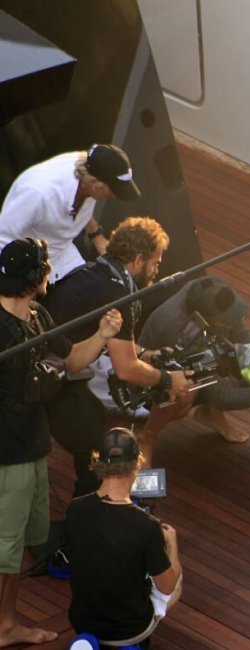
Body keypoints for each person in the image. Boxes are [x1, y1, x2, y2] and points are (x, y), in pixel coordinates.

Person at [0, 238, 122, 647]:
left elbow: (70, 361)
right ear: (37, 277)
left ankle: (6, 623)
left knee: (17, 543)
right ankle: (3, 626)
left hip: (32, 445)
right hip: (7, 456)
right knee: (6, 546)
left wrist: (103, 334)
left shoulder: (38, 315)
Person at [41, 216, 192, 495]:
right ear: (138, 259)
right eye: (155, 262)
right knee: (100, 454)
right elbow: (126, 368)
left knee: (94, 425)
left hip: (54, 363)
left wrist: (146, 353)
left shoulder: (97, 272)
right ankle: (92, 508)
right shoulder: (119, 295)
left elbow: (119, 345)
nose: (157, 270)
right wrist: (169, 380)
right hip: (50, 378)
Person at [136, 275, 250, 464]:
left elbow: (241, 339)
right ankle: (146, 437)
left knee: (242, 363)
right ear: (207, 317)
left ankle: (210, 412)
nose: (235, 321)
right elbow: (221, 395)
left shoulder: (209, 290)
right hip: (151, 383)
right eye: (227, 320)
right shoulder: (180, 331)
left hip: (201, 355)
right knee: (186, 392)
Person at [65, 427, 182, 648]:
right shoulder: (147, 526)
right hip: (129, 629)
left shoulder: (75, 508)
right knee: (175, 581)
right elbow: (166, 587)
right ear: (138, 463)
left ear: (98, 461)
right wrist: (172, 545)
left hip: (82, 621)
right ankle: (129, 646)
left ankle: (87, 643)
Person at [0, 143, 141, 283]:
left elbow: (81, 209)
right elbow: (2, 238)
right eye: (113, 191)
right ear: (94, 182)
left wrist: (97, 237)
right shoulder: (38, 193)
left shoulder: (91, 170)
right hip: (27, 262)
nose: (115, 196)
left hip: (64, 255)